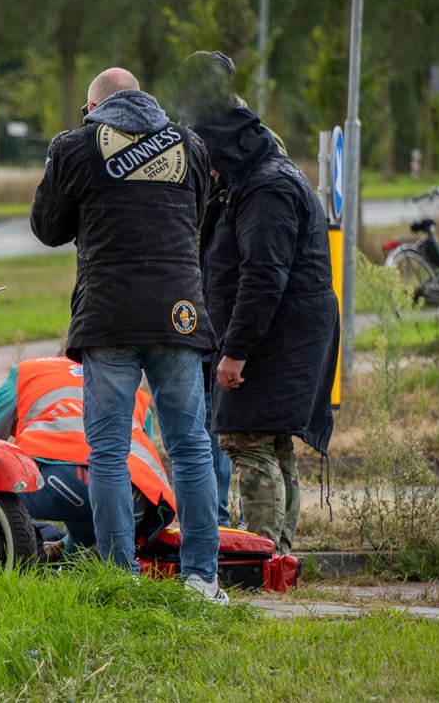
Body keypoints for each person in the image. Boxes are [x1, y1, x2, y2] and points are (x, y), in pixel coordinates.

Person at [30, 67, 226, 604]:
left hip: (109, 316)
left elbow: (47, 228)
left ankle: (121, 579)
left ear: (92, 109)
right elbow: (195, 219)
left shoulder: (75, 146)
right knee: (191, 447)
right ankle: (202, 580)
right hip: (177, 315)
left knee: (109, 453)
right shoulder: (190, 145)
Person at [181, 50, 339, 556]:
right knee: (271, 442)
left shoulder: (266, 187)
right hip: (285, 329)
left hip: (277, 334)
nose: (206, 171)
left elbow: (264, 276)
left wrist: (235, 352)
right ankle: (279, 558)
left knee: (249, 441)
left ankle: (262, 556)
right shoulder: (251, 175)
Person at [0, 357, 175, 559]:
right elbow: (142, 468)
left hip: (66, 482)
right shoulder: (135, 394)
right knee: (81, 543)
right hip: (139, 504)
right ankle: (64, 552)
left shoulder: (28, 372)